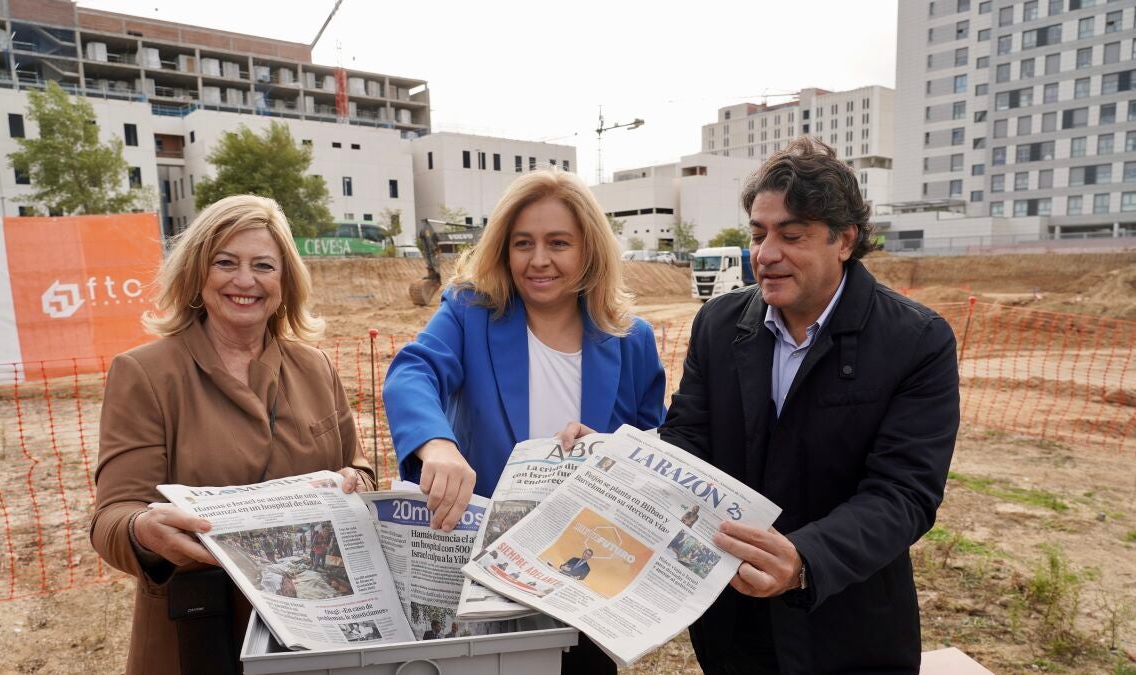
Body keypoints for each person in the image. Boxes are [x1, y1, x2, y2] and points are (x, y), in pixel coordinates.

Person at [661, 138, 959, 672]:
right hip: (734, 619)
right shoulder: (719, 325)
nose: (765, 254)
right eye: (758, 234)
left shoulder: (915, 341)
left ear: (844, 239)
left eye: (791, 235)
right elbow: (688, 438)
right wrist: (617, 462)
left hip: (848, 619)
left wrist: (805, 558)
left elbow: (904, 492)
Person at [383, 169, 666, 674]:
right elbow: (413, 372)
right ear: (503, 248)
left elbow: (655, 442)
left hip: (583, 582)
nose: (538, 260)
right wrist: (437, 444)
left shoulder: (632, 339)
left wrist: (610, 448)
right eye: (523, 243)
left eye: (558, 243)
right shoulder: (469, 312)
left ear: (589, 250)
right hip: (485, 575)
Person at [90, 195, 375, 675]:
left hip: (316, 630)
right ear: (197, 274)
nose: (245, 280)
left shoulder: (316, 367)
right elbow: (112, 518)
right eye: (225, 263)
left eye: (263, 265)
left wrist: (357, 481)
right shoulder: (145, 373)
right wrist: (143, 531)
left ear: (284, 282)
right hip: (201, 631)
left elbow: (359, 469)